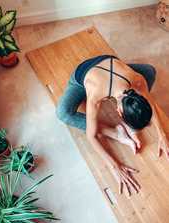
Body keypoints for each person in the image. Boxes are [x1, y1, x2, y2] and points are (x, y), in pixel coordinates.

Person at [56, 54, 169, 196]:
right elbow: (92, 136)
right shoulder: (95, 96)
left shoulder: (137, 79)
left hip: (114, 68)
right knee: (62, 113)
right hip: (82, 74)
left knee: (149, 70)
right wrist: (115, 165)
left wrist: (162, 134)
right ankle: (116, 131)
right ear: (120, 113)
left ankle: (132, 115)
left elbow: (151, 104)